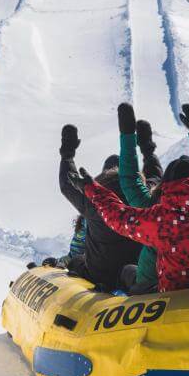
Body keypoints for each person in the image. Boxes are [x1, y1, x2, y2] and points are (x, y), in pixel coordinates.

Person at [70, 103, 189, 293]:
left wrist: (91, 188)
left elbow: (118, 216)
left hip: (174, 306)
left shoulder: (160, 221)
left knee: (127, 272)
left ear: (167, 186)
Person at [117, 102, 189, 294]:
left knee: (127, 271)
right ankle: (148, 150)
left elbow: (129, 180)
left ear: (166, 185)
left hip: (154, 289)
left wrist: (127, 136)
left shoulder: (156, 213)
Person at [57, 124, 141, 290]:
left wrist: (67, 155)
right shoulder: (140, 199)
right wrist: (148, 151)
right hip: (131, 272)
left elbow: (67, 185)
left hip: (99, 274)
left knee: (76, 261)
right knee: (131, 270)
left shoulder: (93, 202)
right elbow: (155, 177)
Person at [43, 154, 120, 268]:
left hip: (97, 273)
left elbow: (76, 253)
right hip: (130, 275)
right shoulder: (138, 209)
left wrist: (60, 264)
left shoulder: (93, 209)